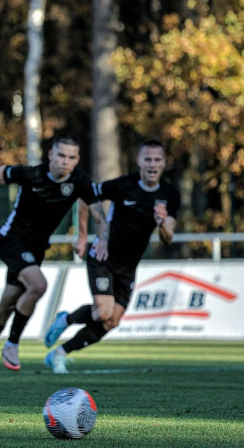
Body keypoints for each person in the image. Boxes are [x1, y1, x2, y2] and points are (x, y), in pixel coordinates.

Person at [0, 134, 101, 374]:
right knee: (38, 285)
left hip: (36, 249)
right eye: (61, 155)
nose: (65, 162)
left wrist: (82, 236)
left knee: (8, 301)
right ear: (51, 155)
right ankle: (12, 343)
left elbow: (88, 204)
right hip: (12, 241)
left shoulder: (79, 180)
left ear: (77, 160)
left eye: (71, 158)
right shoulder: (31, 174)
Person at [43, 139, 180, 373]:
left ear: (164, 163)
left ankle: (59, 351)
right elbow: (85, 196)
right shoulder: (123, 185)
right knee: (103, 311)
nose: (152, 164)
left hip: (128, 267)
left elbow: (168, 237)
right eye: (148, 159)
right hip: (102, 256)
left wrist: (162, 223)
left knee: (111, 321)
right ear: (139, 161)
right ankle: (65, 321)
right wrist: (85, 236)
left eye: (157, 160)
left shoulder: (170, 194)